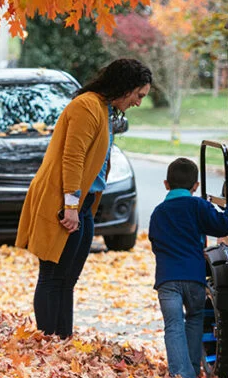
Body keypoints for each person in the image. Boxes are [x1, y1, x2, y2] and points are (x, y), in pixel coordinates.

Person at [16, 58, 152, 338]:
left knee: (67, 279)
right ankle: (48, 340)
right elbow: (73, 156)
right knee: (52, 276)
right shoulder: (86, 106)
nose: (139, 103)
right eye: (138, 95)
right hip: (64, 202)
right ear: (125, 87)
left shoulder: (103, 110)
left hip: (84, 205)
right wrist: (70, 205)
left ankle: (63, 340)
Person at [148, 158, 228, 378]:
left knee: (173, 325)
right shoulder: (198, 207)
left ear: (166, 184)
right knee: (194, 318)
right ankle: (193, 372)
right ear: (195, 186)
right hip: (194, 277)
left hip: (167, 279)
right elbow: (224, 224)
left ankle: (181, 376)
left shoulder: (158, 213)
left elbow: (154, 241)